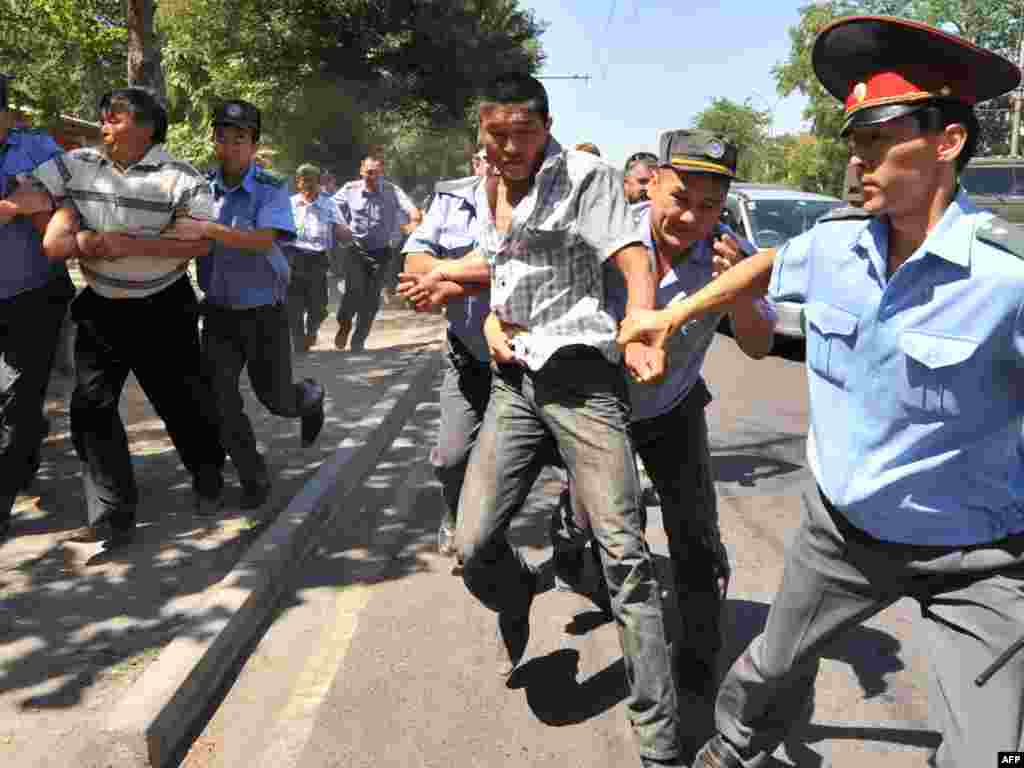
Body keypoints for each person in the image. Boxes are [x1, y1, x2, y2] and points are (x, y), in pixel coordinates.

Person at [618, 17, 1024, 768]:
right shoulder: (838, 244)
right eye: (854, 142)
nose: (856, 160)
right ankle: (731, 752)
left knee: (988, 753)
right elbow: (769, 263)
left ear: (947, 143)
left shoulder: (1008, 278)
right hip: (842, 536)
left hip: (981, 557)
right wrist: (670, 315)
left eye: (878, 140)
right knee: (769, 670)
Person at [454, 73, 684, 768]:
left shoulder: (586, 176)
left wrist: (642, 319)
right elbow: (504, 266)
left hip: (583, 382)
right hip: (514, 384)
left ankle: (661, 742)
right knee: (472, 548)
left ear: (546, 126)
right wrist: (485, 309)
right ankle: (521, 588)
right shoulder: (489, 180)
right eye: (496, 136)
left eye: (522, 135)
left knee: (627, 560)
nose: (508, 149)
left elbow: (630, 255)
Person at [554, 130, 776, 710]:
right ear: (651, 184)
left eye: (708, 206)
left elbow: (757, 345)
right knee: (595, 529)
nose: (690, 217)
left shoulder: (731, 254)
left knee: (697, 539)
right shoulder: (605, 235)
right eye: (679, 197)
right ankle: (572, 538)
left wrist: (745, 293)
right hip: (599, 412)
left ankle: (699, 661)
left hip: (674, 410)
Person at [36, 87, 226, 544]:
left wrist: (125, 244)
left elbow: (199, 243)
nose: (104, 124)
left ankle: (208, 477)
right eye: (104, 117)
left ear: (146, 127)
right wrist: (67, 232)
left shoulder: (181, 177)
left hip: (164, 306)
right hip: (101, 307)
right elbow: (34, 196)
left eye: (115, 118)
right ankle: (112, 512)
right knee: (90, 407)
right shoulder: (77, 165)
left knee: (181, 403)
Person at [193, 100, 326, 511]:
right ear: (213, 140)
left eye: (240, 140)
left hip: (263, 312)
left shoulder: (271, 187)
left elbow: (263, 239)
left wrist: (208, 230)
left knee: (276, 400)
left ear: (253, 145)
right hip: (217, 312)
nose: (229, 147)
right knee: (220, 397)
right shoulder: (199, 188)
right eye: (222, 138)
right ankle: (252, 473)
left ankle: (308, 397)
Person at [397, 147, 493, 555]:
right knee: (451, 459)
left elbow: (514, 267)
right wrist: (441, 276)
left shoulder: (545, 200)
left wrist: (444, 283)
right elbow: (415, 257)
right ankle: (455, 513)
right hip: (467, 353)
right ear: (475, 159)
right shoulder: (451, 200)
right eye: (489, 150)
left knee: (572, 467)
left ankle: (574, 547)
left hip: (531, 363)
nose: (500, 157)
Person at [0, 73, 75, 539]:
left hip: (34, 295)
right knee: (14, 404)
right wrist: (11, 206)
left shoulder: (37, 147)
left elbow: (71, 202)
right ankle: (23, 455)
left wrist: (40, 202)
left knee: (18, 399)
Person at [333, 155, 421, 351]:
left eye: (375, 173)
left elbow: (411, 209)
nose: (371, 176)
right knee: (353, 292)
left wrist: (414, 220)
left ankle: (359, 340)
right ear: (361, 171)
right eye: (368, 172)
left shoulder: (392, 190)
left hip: (381, 252)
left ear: (381, 173)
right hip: (355, 249)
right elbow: (330, 208)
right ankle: (345, 324)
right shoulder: (350, 189)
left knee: (372, 299)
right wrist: (340, 226)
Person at [286, 163, 349, 354]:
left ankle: (312, 330)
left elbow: (342, 229)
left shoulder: (329, 204)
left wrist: (344, 232)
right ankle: (299, 343)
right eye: (305, 180)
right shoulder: (289, 204)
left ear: (319, 183)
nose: (309, 184)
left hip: (318, 259)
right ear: (298, 183)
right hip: (293, 257)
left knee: (319, 306)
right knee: (293, 307)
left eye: (312, 180)